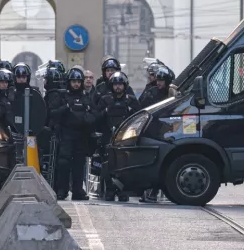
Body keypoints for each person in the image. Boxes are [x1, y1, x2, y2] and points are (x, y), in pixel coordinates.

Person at [97, 72, 141, 201]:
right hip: (108, 137)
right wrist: (105, 111)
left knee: (125, 166)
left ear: (125, 85)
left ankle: (123, 191)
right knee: (107, 165)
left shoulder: (131, 100)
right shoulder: (105, 99)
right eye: (115, 84)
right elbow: (96, 117)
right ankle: (110, 190)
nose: (118, 87)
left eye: (120, 84)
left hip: (126, 139)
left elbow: (139, 118)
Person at [54, 67, 95, 200]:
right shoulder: (63, 96)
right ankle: (62, 189)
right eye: (74, 81)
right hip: (67, 133)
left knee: (79, 163)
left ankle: (77, 190)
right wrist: (66, 108)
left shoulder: (86, 97)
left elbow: (94, 114)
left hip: (81, 134)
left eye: (78, 81)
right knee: (64, 162)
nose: (76, 84)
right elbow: (54, 113)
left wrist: (88, 119)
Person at [139, 66, 173, 203]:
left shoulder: (172, 94)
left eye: (162, 80)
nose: (159, 83)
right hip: (151, 132)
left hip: (167, 132)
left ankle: (159, 191)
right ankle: (148, 191)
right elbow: (142, 108)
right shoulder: (151, 92)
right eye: (157, 79)